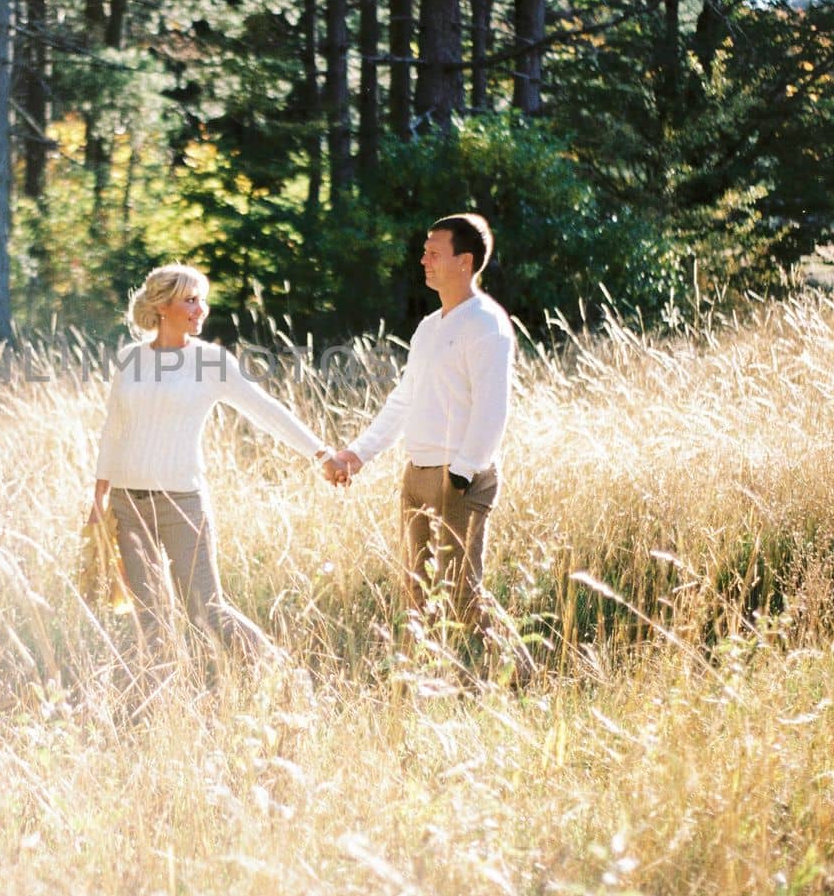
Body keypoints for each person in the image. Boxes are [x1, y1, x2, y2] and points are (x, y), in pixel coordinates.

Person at [88, 263, 334, 670]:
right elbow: (113, 430)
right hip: (128, 506)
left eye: (202, 299)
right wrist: (99, 497)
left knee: (207, 610)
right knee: (150, 621)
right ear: (162, 305)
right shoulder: (130, 358)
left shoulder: (210, 361)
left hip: (182, 503)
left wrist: (321, 454)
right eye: (190, 300)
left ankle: (282, 676)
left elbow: (265, 411)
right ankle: (159, 714)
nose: (201, 309)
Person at [324, 214, 515, 671]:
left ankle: (516, 676)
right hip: (416, 474)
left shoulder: (487, 324)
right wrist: (359, 453)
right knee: (416, 592)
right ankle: (421, 686)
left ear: (464, 262)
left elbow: (493, 409)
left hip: (460, 479)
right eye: (424, 250)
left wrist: (463, 472)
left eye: (434, 252)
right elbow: (405, 399)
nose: (423, 259)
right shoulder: (430, 326)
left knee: (462, 596)